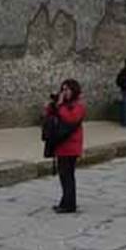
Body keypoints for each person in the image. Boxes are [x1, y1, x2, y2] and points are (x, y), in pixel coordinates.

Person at [45, 79, 85, 213]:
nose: (65, 92)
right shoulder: (63, 104)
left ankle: (69, 204)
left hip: (71, 146)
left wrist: (60, 106)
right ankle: (66, 201)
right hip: (61, 145)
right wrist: (54, 104)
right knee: (64, 176)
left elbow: (70, 119)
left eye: (67, 89)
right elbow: (48, 114)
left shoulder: (78, 106)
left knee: (67, 176)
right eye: (63, 89)